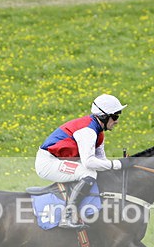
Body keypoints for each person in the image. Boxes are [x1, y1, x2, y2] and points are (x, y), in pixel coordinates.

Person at [35, 94, 132, 229]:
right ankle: (67, 216)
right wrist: (118, 164)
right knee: (88, 173)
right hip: (47, 163)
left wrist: (119, 167)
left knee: (94, 172)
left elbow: (100, 161)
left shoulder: (98, 132)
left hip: (59, 159)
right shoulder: (88, 131)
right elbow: (89, 163)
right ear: (104, 116)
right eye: (115, 116)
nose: (117, 121)